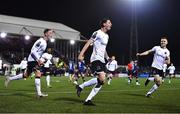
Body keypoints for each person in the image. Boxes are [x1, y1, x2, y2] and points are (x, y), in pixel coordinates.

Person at [5, 29, 54, 97]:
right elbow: (33, 51)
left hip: (34, 60)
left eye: (52, 33)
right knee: (38, 73)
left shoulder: (45, 42)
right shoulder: (40, 41)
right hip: (32, 60)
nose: (51, 34)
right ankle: (39, 93)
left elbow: (38, 52)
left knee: (26, 75)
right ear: (45, 34)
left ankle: (9, 78)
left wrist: (41, 59)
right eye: (50, 33)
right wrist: (38, 60)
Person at [76, 18, 112, 105]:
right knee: (102, 77)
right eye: (109, 22)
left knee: (101, 81)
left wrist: (107, 57)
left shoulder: (107, 36)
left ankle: (84, 91)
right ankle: (86, 95)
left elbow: (104, 49)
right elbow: (88, 43)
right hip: (95, 59)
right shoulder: (97, 33)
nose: (111, 24)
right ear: (104, 24)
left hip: (102, 60)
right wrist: (81, 54)